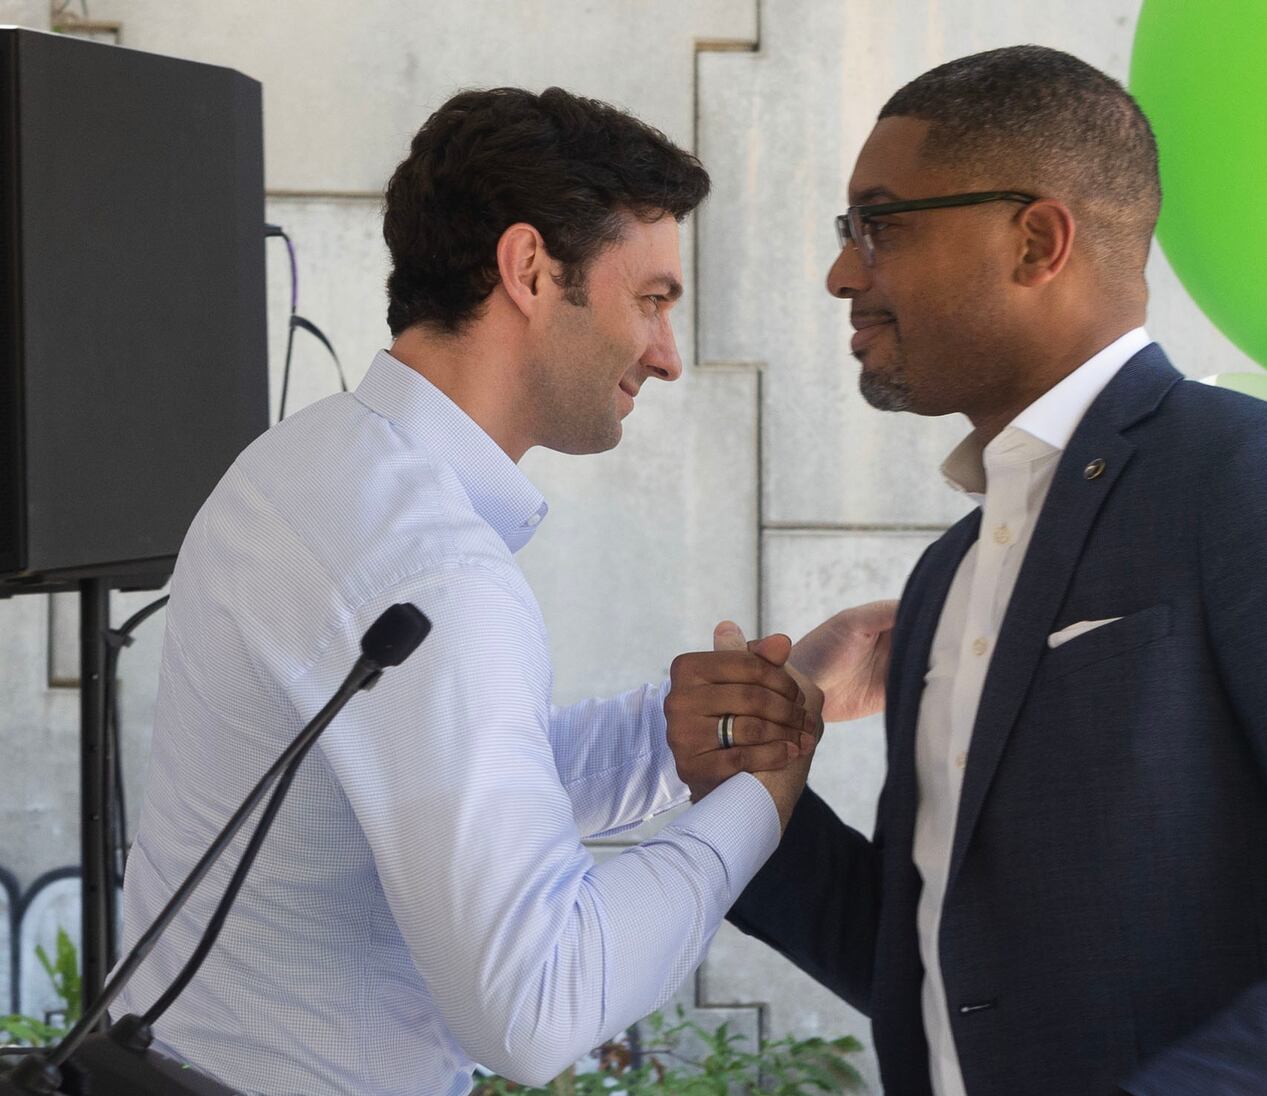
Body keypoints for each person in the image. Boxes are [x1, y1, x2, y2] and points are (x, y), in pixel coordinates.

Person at [714, 45, 1267, 1095]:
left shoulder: (1257, 477)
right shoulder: (952, 569)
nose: (843, 271)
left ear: (1037, 239)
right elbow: (954, 972)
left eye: (880, 223)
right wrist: (756, 794)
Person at [113, 86, 862, 1094]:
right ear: (527, 269)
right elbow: (539, 1003)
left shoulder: (299, 469)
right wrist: (760, 798)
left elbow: (429, 783)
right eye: (650, 299)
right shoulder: (436, 568)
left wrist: (685, 735)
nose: (669, 356)